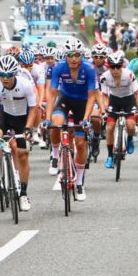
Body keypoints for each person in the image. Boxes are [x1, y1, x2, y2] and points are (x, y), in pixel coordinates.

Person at [0, 55, 37, 212]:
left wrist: (28, 128)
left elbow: (33, 108)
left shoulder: (25, 84)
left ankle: (24, 194)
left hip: (22, 119)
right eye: (2, 75)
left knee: (23, 154)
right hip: (5, 117)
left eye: (8, 75)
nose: (5, 79)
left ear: (15, 74)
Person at [45, 37, 97, 201]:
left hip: (82, 103)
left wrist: (87, 118)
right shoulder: (59, 67)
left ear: (82, 55)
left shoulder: (88, 69)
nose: (73, 59)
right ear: (65, 55)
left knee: (80, 144)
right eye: (70, 55)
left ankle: (79, 181)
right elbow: (52, 93)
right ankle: (55, 155)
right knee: (56, 123)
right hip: (65, 99)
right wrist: (47, 118)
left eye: (77, 55)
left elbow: (91, 97)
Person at [100, 51, 138, 168]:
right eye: (112, 67)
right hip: (114, 100)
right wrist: (104, 109)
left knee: (130, 125)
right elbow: (104, 95)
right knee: (109, 127)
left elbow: (137, 93)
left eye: (118, 66)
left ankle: (129, 139)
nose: (115, 70)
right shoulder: (104, 77)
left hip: (129, 100)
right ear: (108, 67)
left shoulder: (129, 74)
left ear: (122, 66)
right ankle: (109, 155)